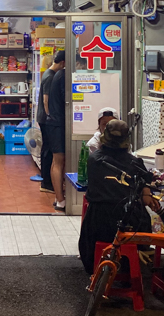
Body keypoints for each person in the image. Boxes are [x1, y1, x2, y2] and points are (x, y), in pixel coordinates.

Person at [78, 119, 157, 273]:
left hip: (98, 223)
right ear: (127, 140)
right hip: (130, 221)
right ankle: (135, 264)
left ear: (104, 137)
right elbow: (145, 185)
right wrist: (146, 192)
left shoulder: (93, 160)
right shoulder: (135, 163)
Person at [37, 50, 66, 193]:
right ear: (63, 63)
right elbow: (46, 100)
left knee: (47, 149)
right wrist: (51, 117)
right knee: (48, 151)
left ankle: (47, 181)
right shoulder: (50, 76)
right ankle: (47, 183)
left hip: (46, 118)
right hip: (47, 119)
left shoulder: (49, 74)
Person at [44, 51, 67, 210]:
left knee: (56, 161)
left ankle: (59, 199)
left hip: (53, 123)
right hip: (57, 123)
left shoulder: (55, 75)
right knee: (58, 161)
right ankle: (60, 200)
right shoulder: (61, 76)